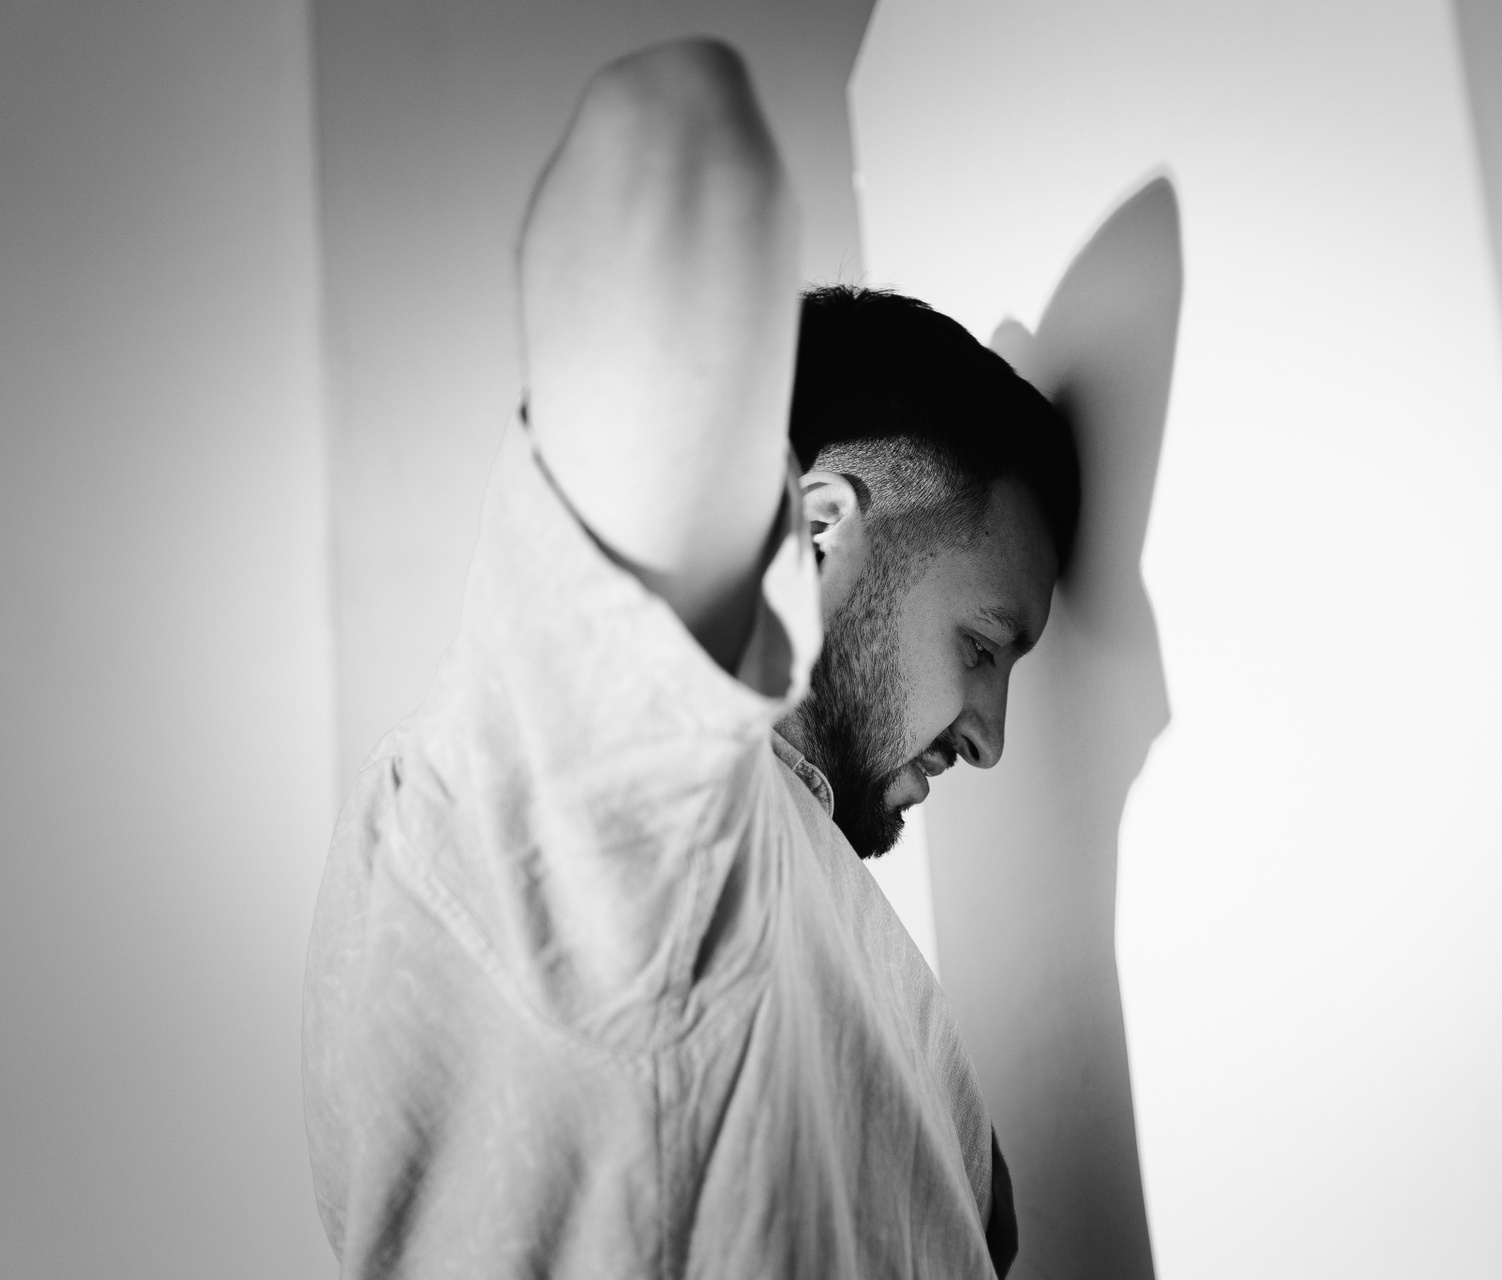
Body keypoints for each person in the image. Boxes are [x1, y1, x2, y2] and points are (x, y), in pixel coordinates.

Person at [302, 39, 1078, 1278]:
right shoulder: (634, 802)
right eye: (982, 645)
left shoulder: (818, 911)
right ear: (816, 530)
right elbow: (673, 138)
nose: (990, 734)